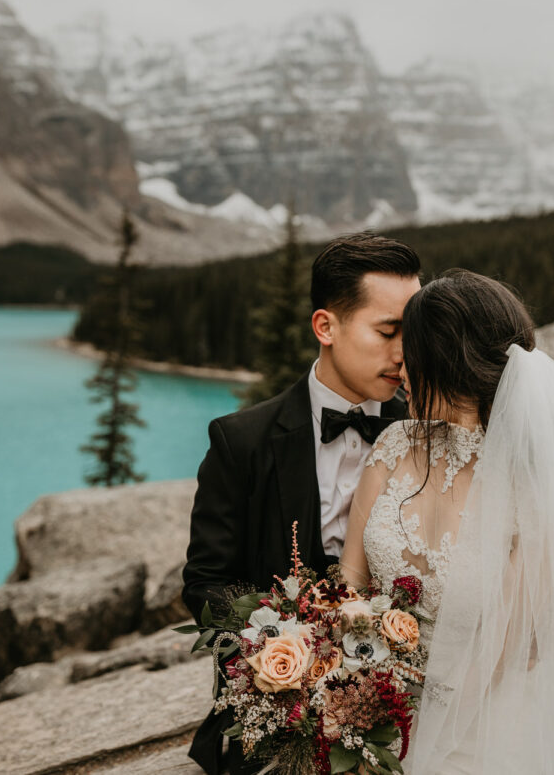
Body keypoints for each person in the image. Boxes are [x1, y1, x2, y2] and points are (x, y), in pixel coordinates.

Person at [341, 269, 554, 774]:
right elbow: (348, 582)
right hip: (372, 709)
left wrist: (409, 739)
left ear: (443, 359)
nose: (399, 365)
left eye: (410, 350)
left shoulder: (535, 485)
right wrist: (347, 693)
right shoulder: (393, 445)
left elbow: (508, 651)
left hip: (484, 731)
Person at [182, 232, 422, 774]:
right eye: (388, 331)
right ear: (325, 327)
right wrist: (285, 652)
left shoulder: (423, 432)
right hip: (274, 718)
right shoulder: (240, 441)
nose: (403, 353)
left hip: (401, 711)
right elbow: (205, 583)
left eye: (414, 333)